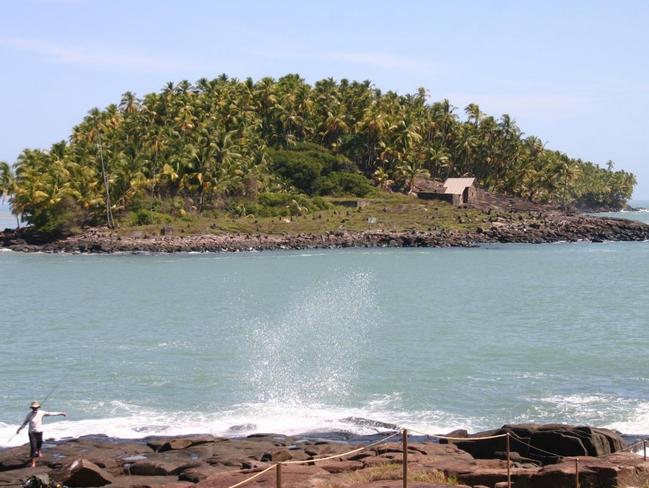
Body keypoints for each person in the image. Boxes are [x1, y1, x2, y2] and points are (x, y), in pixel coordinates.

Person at [16, 401, 67, 467]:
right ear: (31, 408)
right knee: (33, 447)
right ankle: (33, 462)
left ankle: (39, 451)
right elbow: (25, 423)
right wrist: (19, 429)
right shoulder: (29, 415)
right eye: (34, 408)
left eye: (36, 408)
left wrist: (61, 413)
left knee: (40, 443)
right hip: (32, 433)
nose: (35, 409)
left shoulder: (41, 413)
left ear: (38, 407)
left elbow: (51, 413)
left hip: (39, 432)